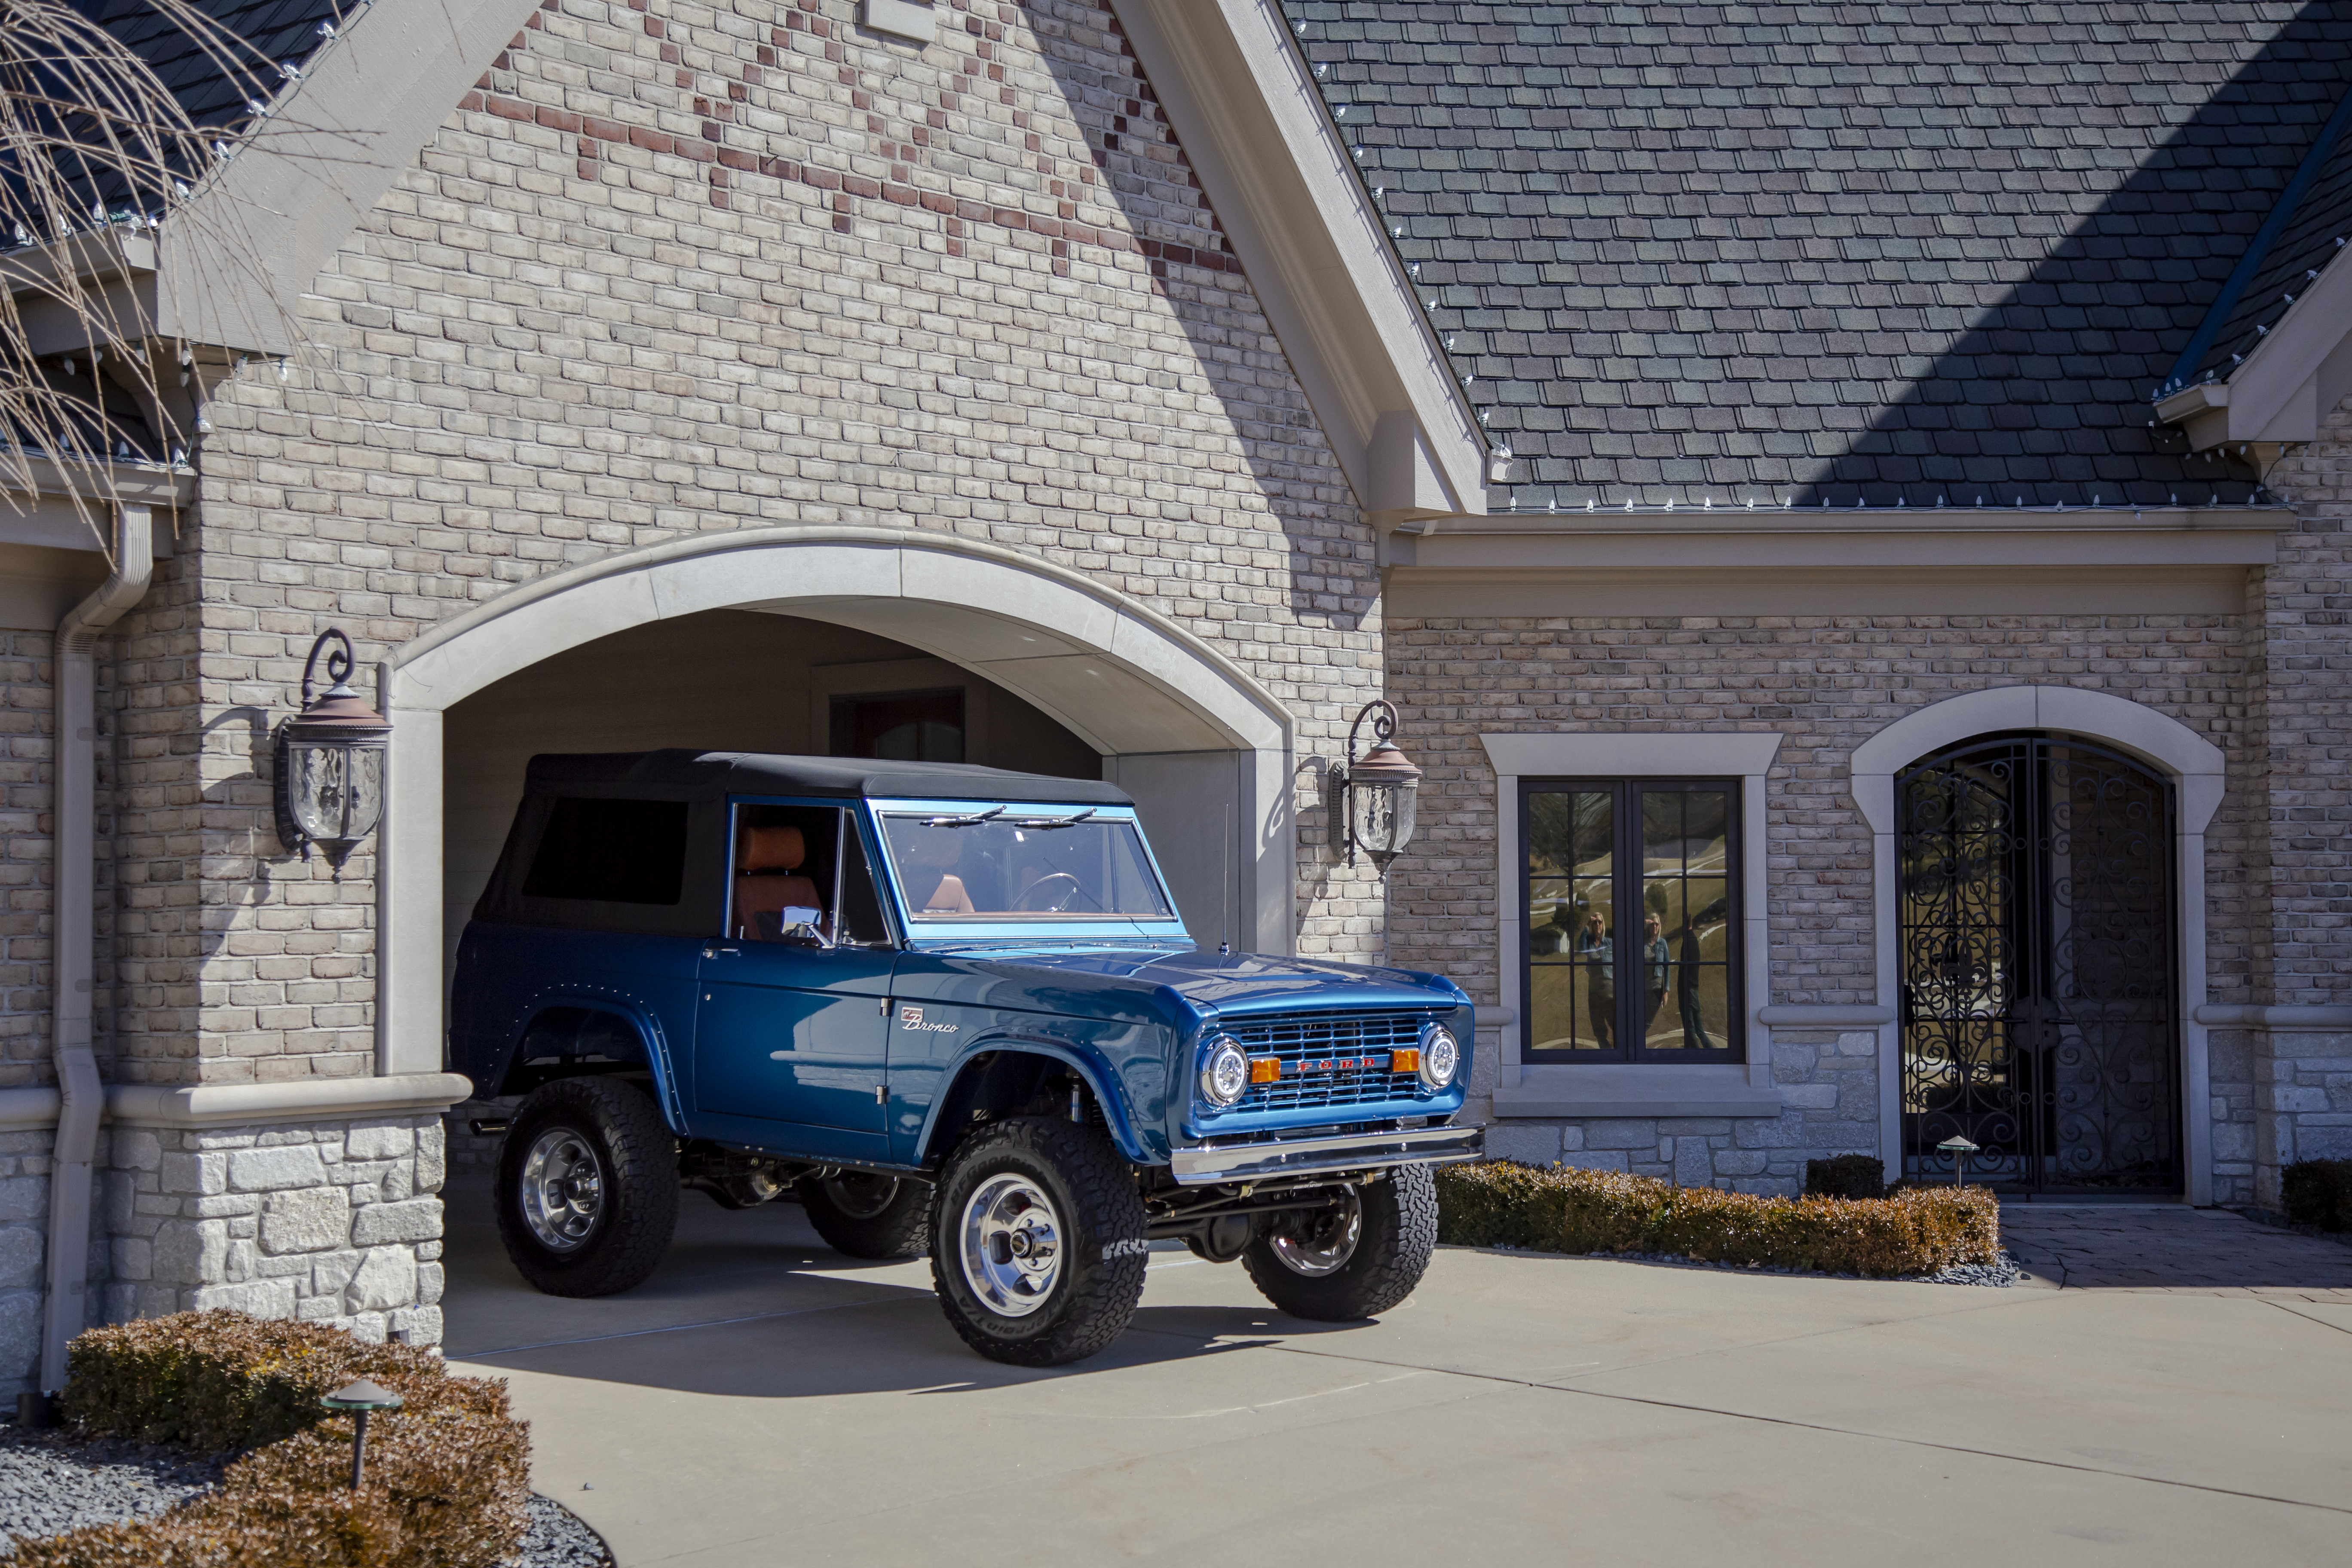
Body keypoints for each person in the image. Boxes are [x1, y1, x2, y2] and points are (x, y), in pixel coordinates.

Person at [1574, 908, 1614, 1048]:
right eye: (1595, 922)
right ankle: (1605, 1050)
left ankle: (1618, 1049)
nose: (1598, 925)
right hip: (1594, 989)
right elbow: (1582, 948)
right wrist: (1586, 925)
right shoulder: (1589, 941)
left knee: (1613, 1019)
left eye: (1600, 922)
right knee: (1597, 1022)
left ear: (1603, 925)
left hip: (1609, 987)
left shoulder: (1610, 943)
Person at [1642, 914, 1671, 1032]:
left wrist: (1666, 991)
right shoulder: (1643, 943)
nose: (1655, 926)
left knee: (1648, 1020)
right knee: (1641, 1018)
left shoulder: (1662, 943)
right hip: (1643, 988)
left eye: (1657, 924)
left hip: (1656, 989)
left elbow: (1667, 967)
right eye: (1652, 924)